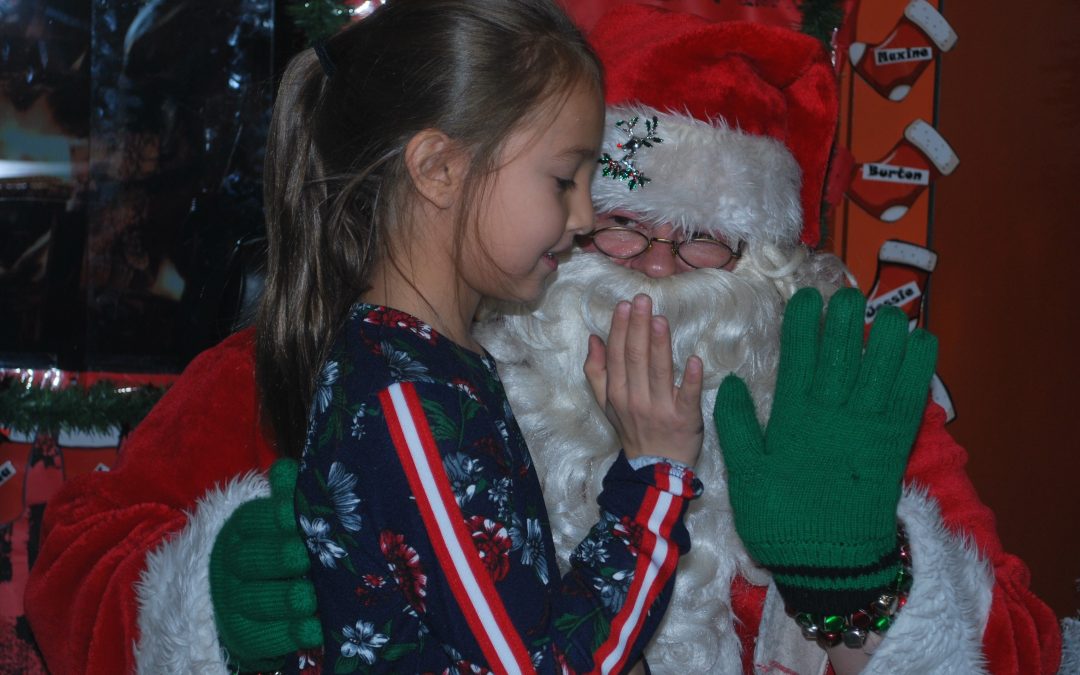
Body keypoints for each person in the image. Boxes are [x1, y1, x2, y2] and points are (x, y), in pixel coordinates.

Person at [24, 4, 1066, 675]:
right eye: (614, 214)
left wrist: (869, 590)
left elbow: (1019, 646)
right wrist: (208, 600)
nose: (655, 267)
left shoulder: (835, 395)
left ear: (770, 258)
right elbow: (72, 565)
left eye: (707, 239)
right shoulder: (343, 362)